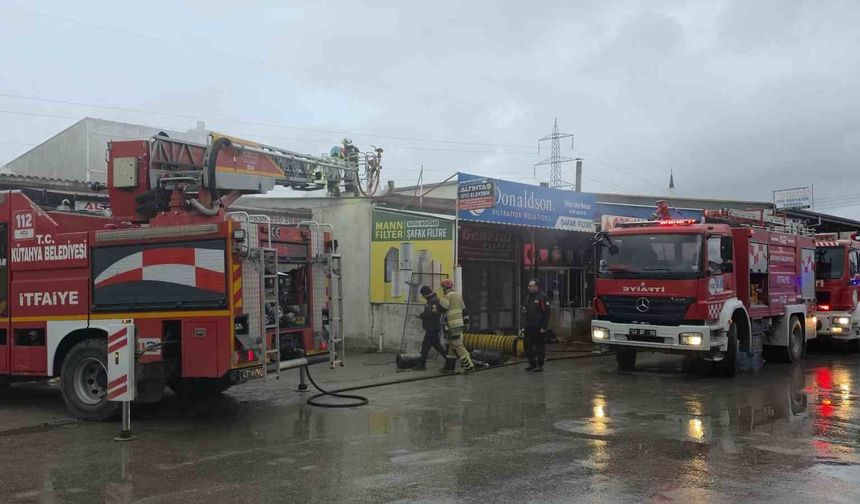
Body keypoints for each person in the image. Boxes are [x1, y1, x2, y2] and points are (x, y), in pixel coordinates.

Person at [439, 279, 475, 373]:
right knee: (451, 346)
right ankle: (449, 367)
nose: (442, 288)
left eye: (443, 287)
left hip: (452, 325)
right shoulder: (458, 295)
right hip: (459, 324)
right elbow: (464, 310)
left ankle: (469, 366)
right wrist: (467, 322)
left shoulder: (447, 296)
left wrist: (435, 308)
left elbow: (442, 308)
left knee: (457, 345)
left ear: (445, 287)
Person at [413, 285, 447, 371]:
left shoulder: (434, 301)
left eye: (423, 295)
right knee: (437, 346)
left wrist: (421, 315)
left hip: (433, 328)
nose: (422, 297)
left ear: (425, 294)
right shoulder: (431, 300)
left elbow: (432, 314)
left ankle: (421, 365)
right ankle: (449, 358)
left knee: (425, 346)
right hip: (432, 327)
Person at [522, 280, 549, 372]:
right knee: (527, 345)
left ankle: (540, 365)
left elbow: (546, 313)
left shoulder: (542, 297)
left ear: (536, 287)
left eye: (531, 286)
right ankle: (532, 363)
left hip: (538, 327)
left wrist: (544, 327)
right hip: (529, 325)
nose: (529, 287)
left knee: (539, 346)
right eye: (528, 286)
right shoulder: (528, 297)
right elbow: (527, 309)